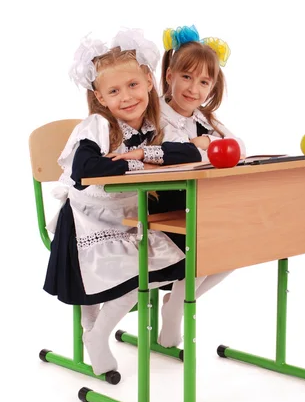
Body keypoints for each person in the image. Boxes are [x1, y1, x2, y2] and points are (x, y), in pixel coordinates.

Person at [44, 28, 202, 376]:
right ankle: (96, 334)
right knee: (137, 271)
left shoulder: (153, 125)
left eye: (132, 85)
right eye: (114, 91)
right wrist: (139, 163)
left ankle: (101, 330)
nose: (126, 97)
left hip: (131, 217)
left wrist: (146, 152)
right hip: (88, 220)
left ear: (148, 80)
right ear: (100, 97)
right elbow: (87, 169)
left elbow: (189, 151)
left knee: (184, 255)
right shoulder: (98, 125)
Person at [152, 25, 247, 348]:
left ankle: (176, 304)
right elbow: (172, 156)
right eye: (187, 77)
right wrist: (204, 145)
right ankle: (177, 308)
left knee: (237, 246)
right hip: (165, 204)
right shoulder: (155, 115)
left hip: (200, 202)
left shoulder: (205, 118)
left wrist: (205, 141)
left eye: (204, 82)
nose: (194, 89)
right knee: (209, 243)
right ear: (169, 76)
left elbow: (240, 146)